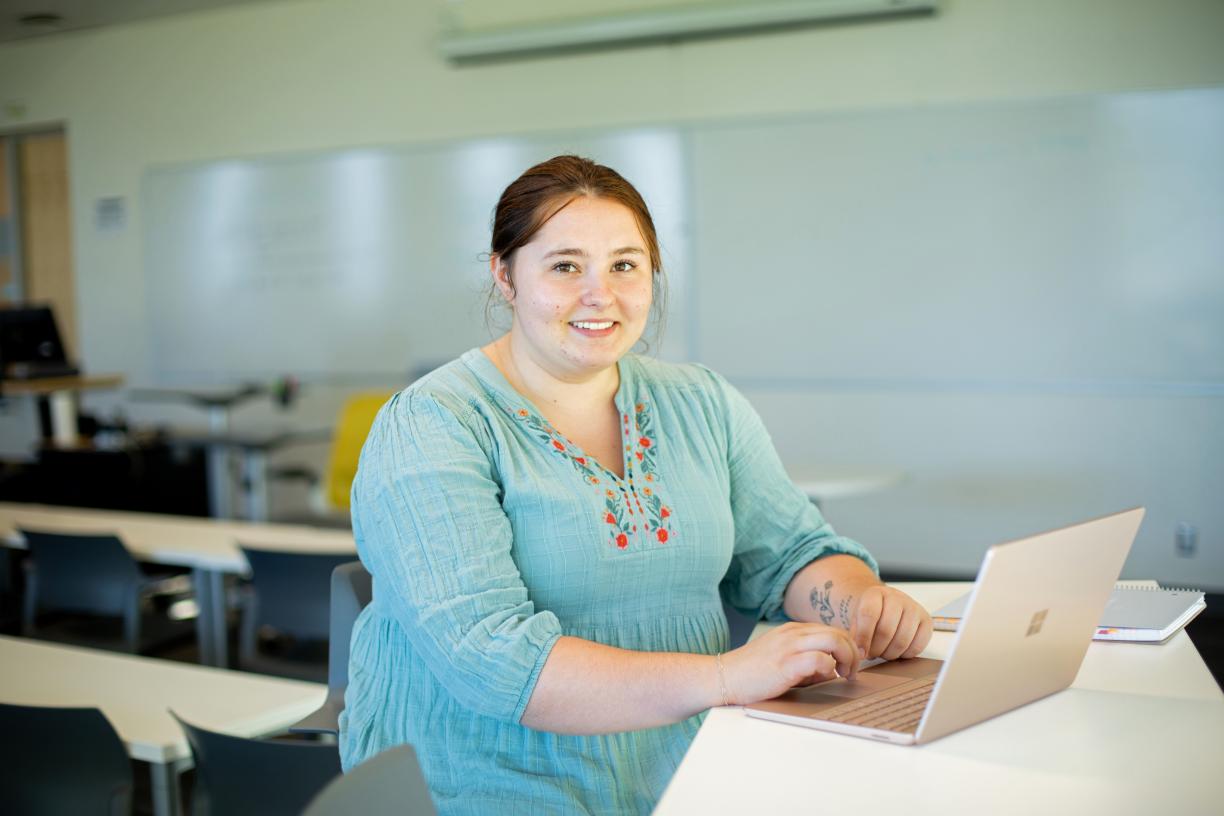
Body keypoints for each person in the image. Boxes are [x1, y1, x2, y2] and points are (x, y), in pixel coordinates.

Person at [339, 155, 932, 814]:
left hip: (693, 761)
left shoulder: (700, 401)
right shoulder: (434, 424)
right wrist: (724, 676)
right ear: (504, 275)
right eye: (565, 266)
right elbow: (492, 660)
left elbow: (789, 554)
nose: (601, 295)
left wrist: (860, 601)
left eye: (625, 264)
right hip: (488, 778)